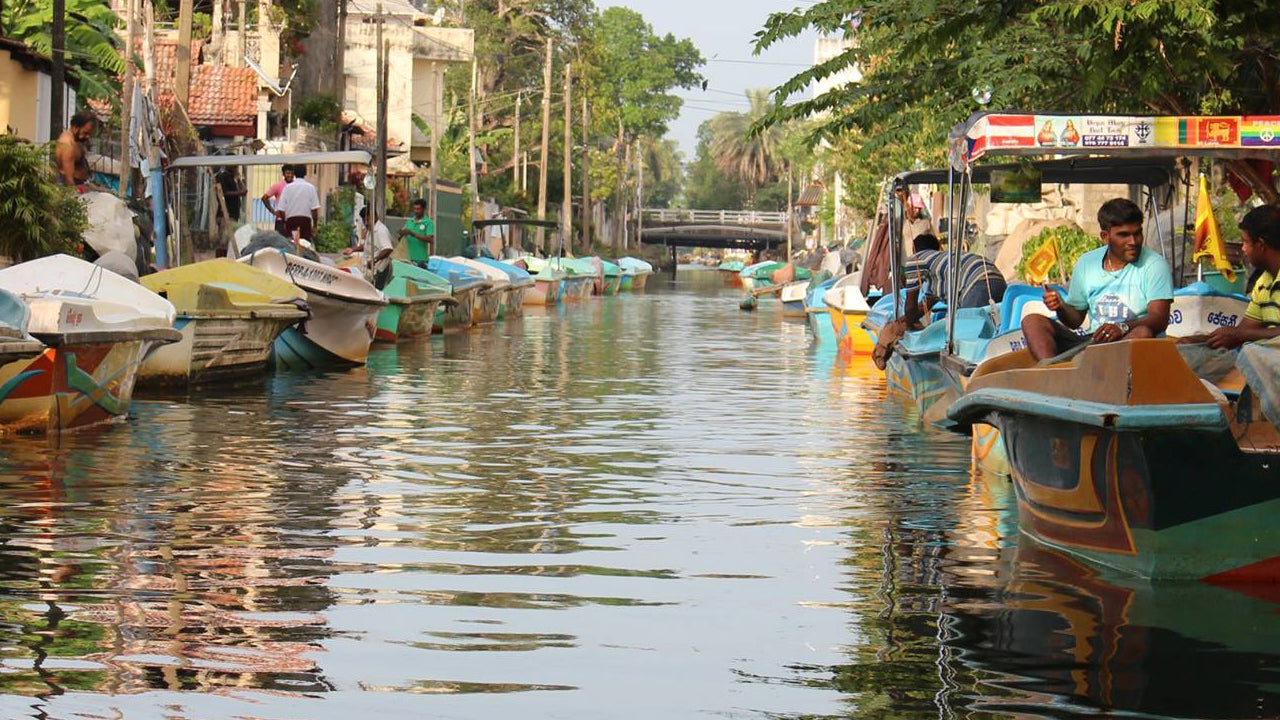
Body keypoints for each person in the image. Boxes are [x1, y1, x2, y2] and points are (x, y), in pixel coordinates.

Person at [1021, 198, 1173, 361]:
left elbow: (1159, 319)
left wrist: (1122, 327)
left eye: (1137, 233)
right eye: (1124, 235)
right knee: (1032, 321)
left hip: (1131, 343)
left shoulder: (1155, 265)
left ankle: (1084, 366)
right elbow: (1074, 321)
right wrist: (1060, 306)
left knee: (1143, 333)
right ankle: (1050, 374)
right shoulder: (1087, 263)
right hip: (1094, 342)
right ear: (1105, 237)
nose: (1133, 242)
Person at [1191, 205, 1280, 349]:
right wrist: (1198, 341)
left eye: (1245, 242)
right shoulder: (1263, 282)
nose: (1243, 249)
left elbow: (1243, 335)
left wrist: (1241, 336)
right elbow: (1244, 331)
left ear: (1261, 245)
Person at [345, 206, 394, 285]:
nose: (366, 223)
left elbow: (388, 249)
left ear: (375, 217)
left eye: (368, 220)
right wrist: (353, 249)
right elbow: (368, 246)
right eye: (364, 221)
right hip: (370, 270)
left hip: (380, 270)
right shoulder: (370, 229)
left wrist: (374, 260)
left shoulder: (381, 231)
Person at [276, 164, 320, 242]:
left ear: (294, 174)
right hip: (305, 222)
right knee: (305, 245)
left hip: (291, 221)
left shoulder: (287, 188)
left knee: (291, 244)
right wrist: (315, 225)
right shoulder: (311, 188)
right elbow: (314, 209)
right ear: (305, 173)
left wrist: (285, 221)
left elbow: (281, 210)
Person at [55, 110, 97, 191]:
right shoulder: (68, 145)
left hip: (81, 183)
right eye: (85, 133)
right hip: (73, 187)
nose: (87, 136)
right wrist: (77, 195)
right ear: (75, 127)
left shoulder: (75, 140)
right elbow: (69, 180)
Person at [262, 165, 295, 235]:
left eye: (292, 173)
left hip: (293, 218)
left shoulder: (296, 186)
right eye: (288, 173)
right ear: (283, 174)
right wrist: (272, 211)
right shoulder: (278, 186)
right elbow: (264, 198)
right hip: (281, 221)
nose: (290, 175)